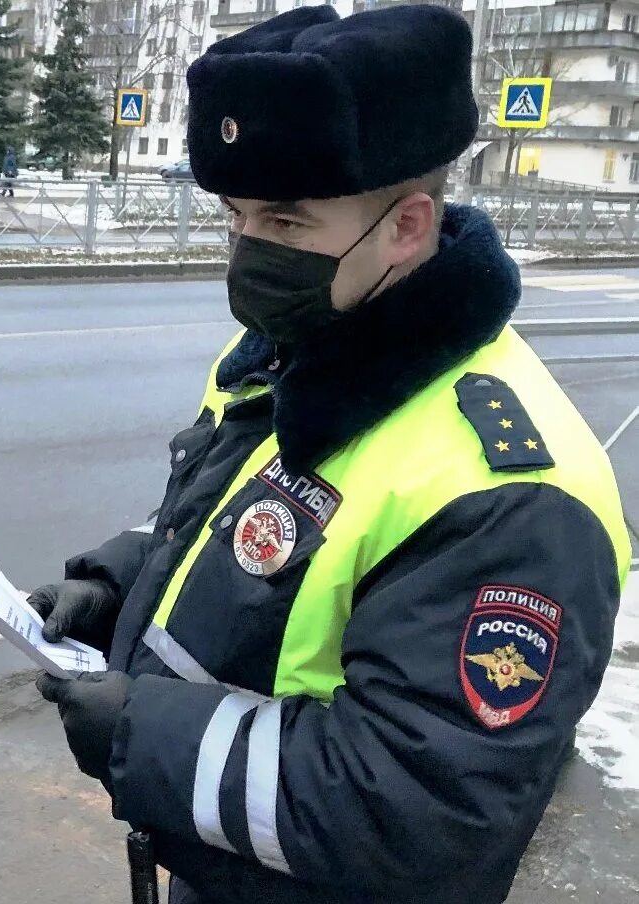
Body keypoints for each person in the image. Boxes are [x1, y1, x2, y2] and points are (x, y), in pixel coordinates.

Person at [31, 7, 629, 904]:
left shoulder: (508, 493)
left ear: (406, 226)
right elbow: (244, 522)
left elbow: (421, 809)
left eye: (286, 221)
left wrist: (139, 736)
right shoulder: (309, 347)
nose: (249, 253)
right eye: (234, 217)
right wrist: (119, 580)